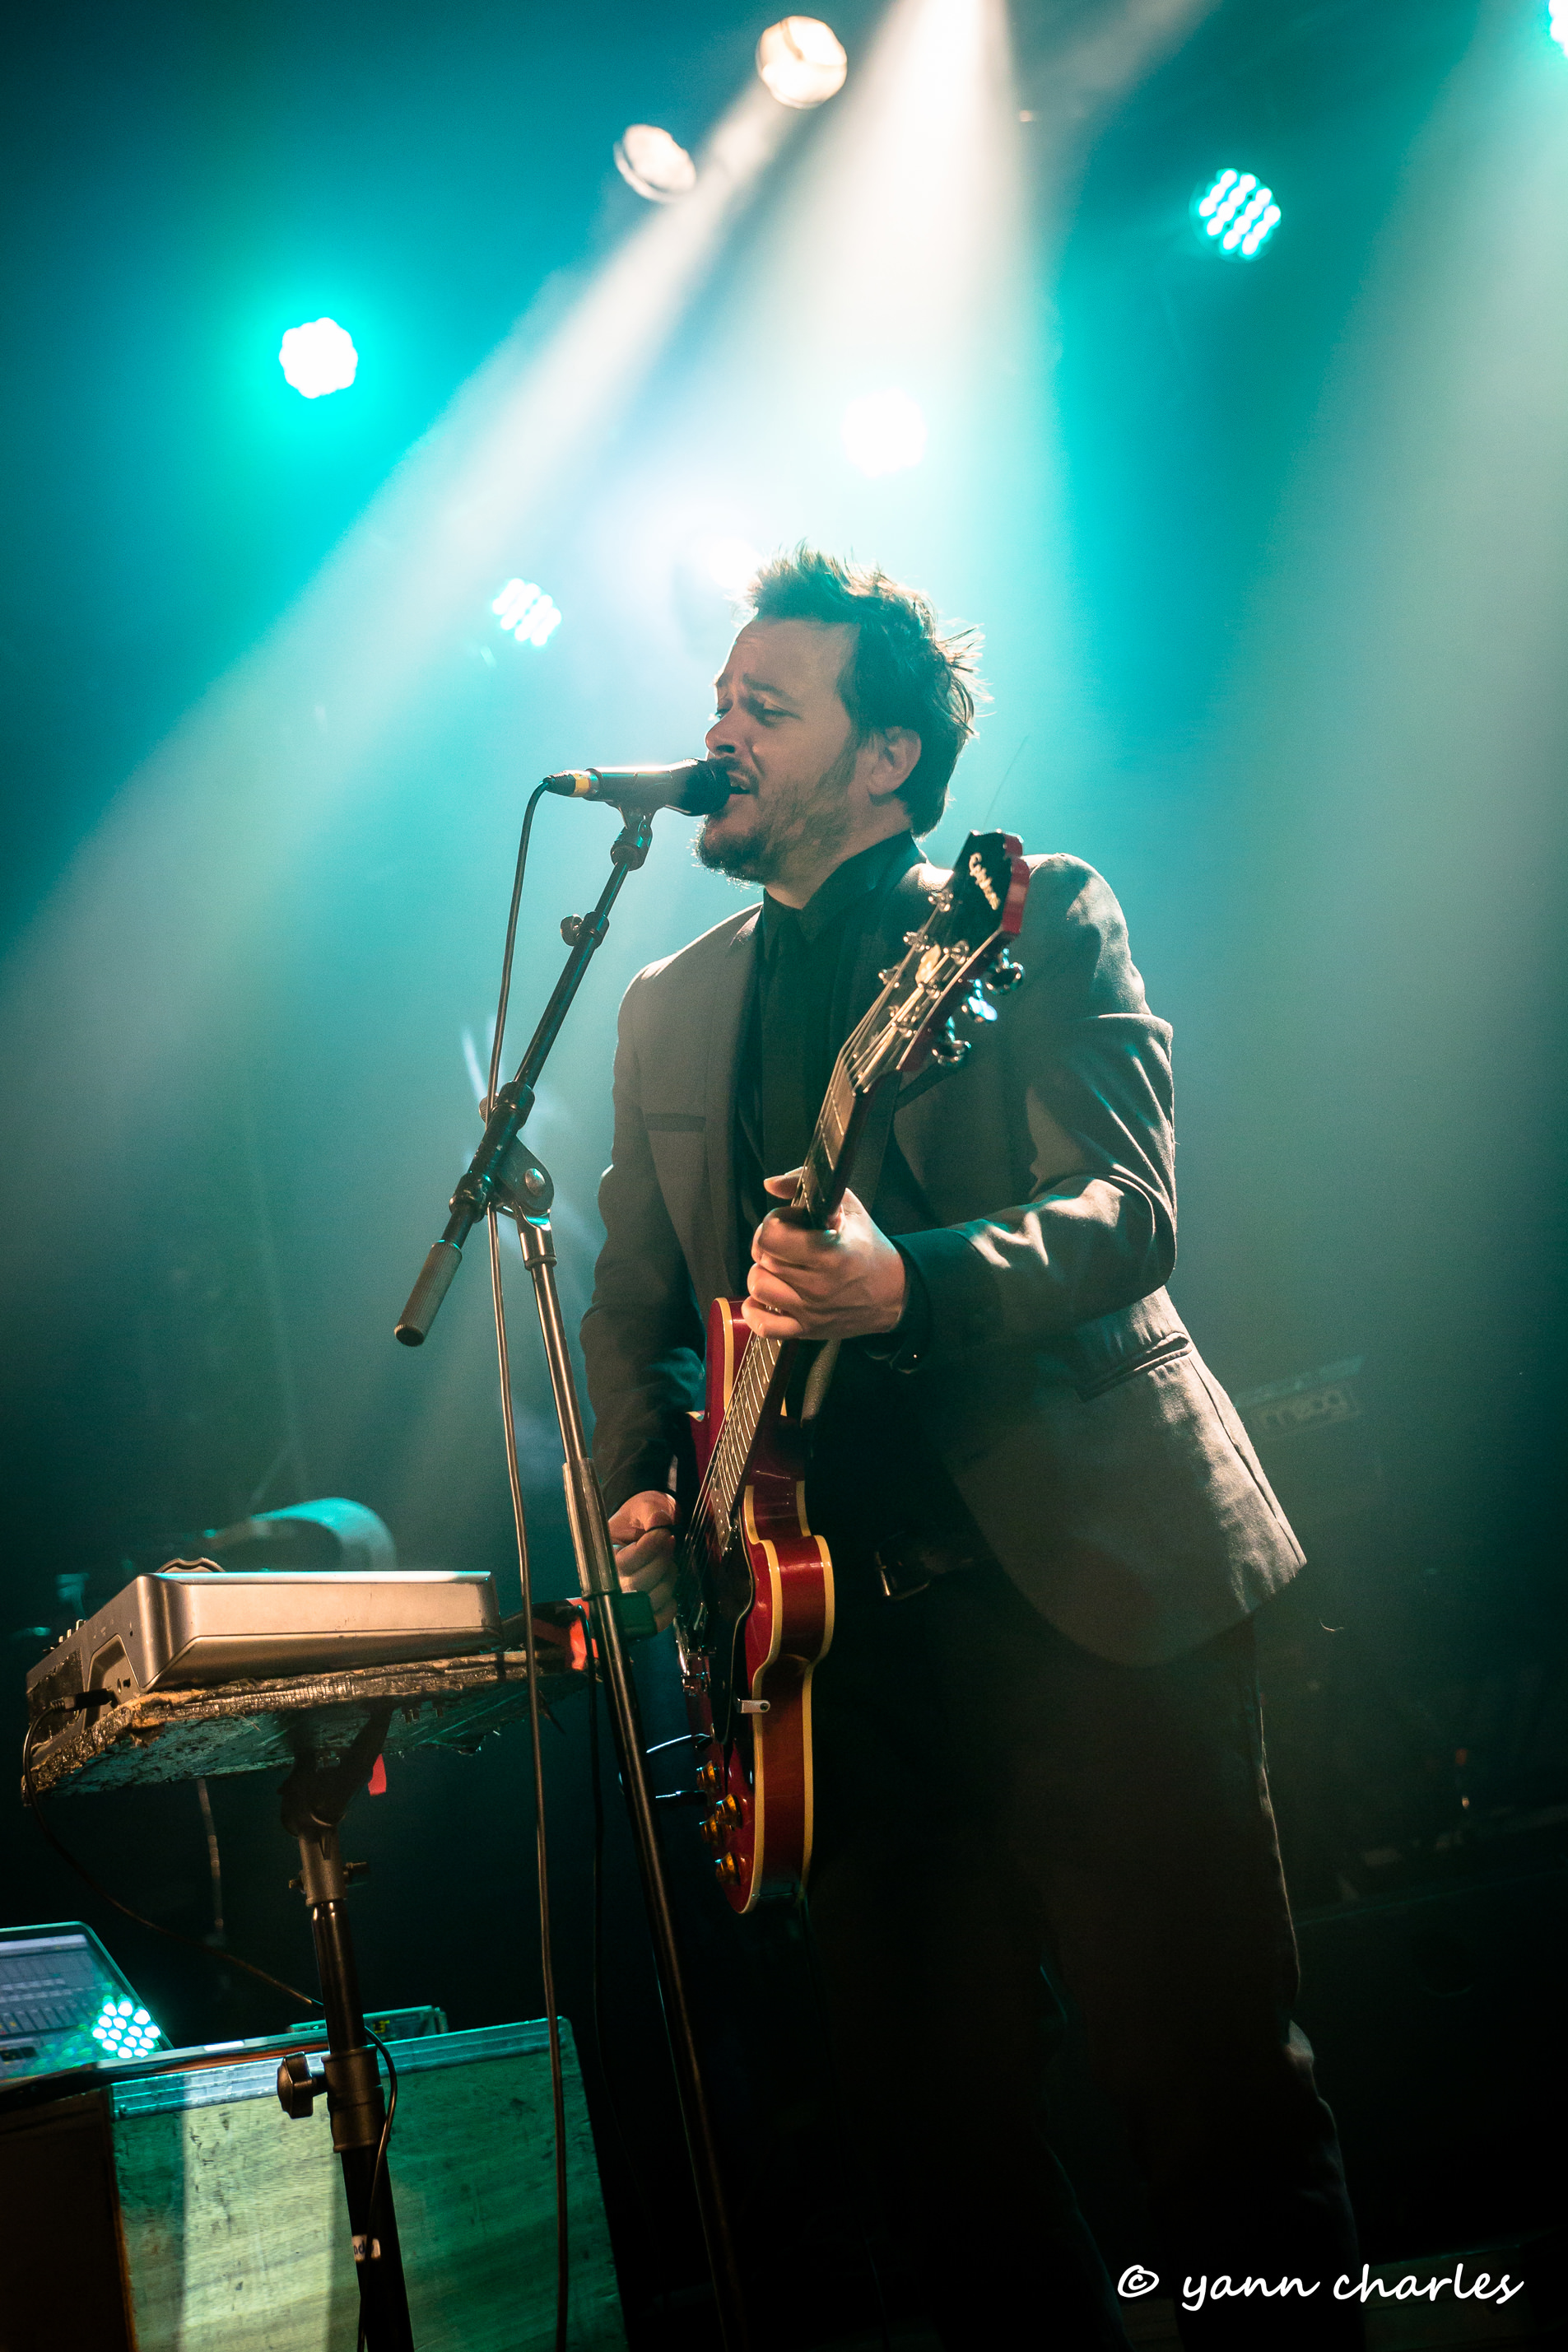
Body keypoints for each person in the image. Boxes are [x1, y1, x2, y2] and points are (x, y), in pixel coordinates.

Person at [581, 548, 1362, 2350]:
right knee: (939, 2169)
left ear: (887, 760)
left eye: (766, 707)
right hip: (829, 1664)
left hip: (1085, 1597)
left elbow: (1125, 1207)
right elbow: (635, 1299)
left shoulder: (1023, 917)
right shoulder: (664, 1004)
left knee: (1213, 2106)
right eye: (718, 700)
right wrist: (641, 1476)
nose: (718, 732)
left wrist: (906, 1282)